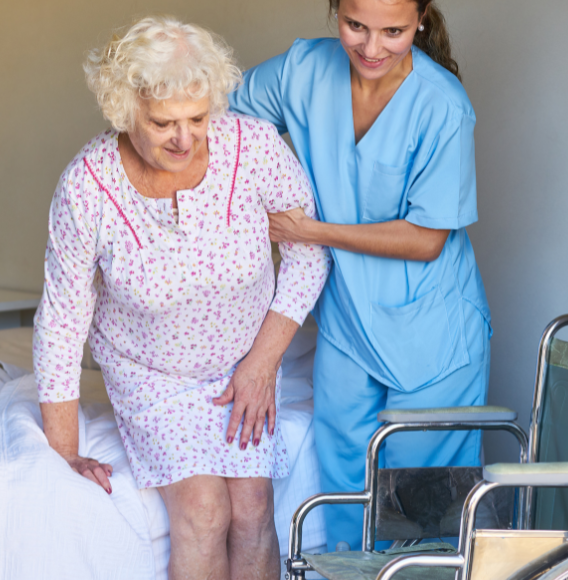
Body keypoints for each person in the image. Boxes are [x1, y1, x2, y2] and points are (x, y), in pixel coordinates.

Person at [34, 16, 330, 579]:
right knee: (202, 510)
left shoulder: (255, 148)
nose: (185, 138)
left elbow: (306, 255)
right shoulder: (87, 185)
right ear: (125, 109)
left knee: (253, 506)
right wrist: (65, 451)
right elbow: (63, 318)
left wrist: (261, 364)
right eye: (163, 123)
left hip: (243, 362)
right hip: (151, 374)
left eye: (197, 118)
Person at [229, 0, 491, 551]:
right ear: (335, 13)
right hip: (348, 325)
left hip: (432, 337)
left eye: (393, 32)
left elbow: (426, 239)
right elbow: (215, 120)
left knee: (421, 526)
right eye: (356, 27)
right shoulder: (303, 71)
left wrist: (311, 231)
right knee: (344, 504)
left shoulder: (443, 106)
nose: (372, 49)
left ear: (420, 18)